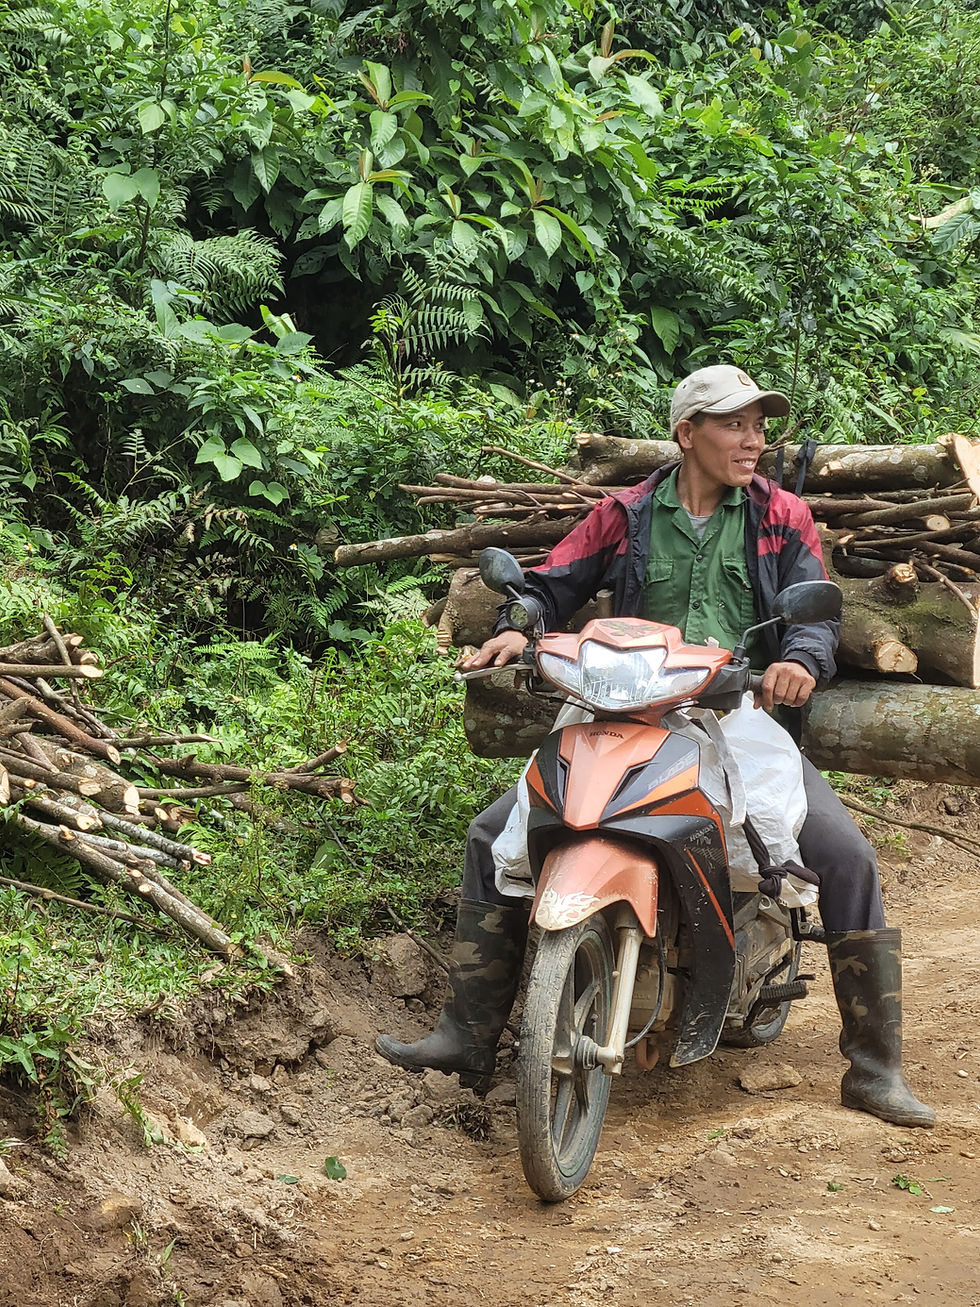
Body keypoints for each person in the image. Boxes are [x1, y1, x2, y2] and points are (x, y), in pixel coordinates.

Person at [376, 364, 935, 1129]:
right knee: (494, 832)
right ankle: (465, 1037)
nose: (754, 439)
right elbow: (553, 583)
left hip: (733, 715)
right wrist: (519, 621)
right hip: (623, 709)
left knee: (845, 856)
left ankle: (875, 1068)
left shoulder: (782, 516)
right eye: (735, 424)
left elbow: (815, 611)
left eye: (760, 425)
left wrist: (799, 660)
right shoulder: (627, 513)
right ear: (687, 433)